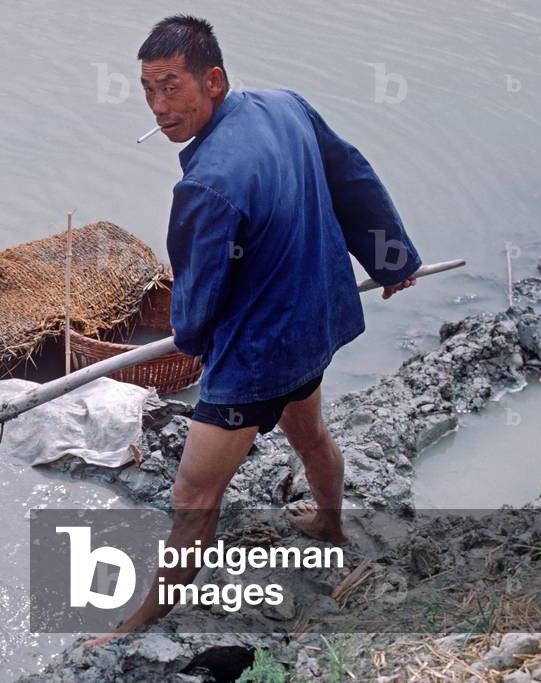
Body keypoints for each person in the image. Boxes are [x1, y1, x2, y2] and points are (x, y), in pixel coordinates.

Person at [81, 15, 421, 648]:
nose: (159, 106)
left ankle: (135, 627)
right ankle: (328, 523)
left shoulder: (207, 184)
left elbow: (197, 305)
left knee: (194, 491)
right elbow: (352, 176)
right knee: (310, 430)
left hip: (260, 355)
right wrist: (393, 260)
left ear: (213, 80)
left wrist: (198, 343)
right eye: (148, 88)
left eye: (172, 87)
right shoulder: (285, 107)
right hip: (316, 323)